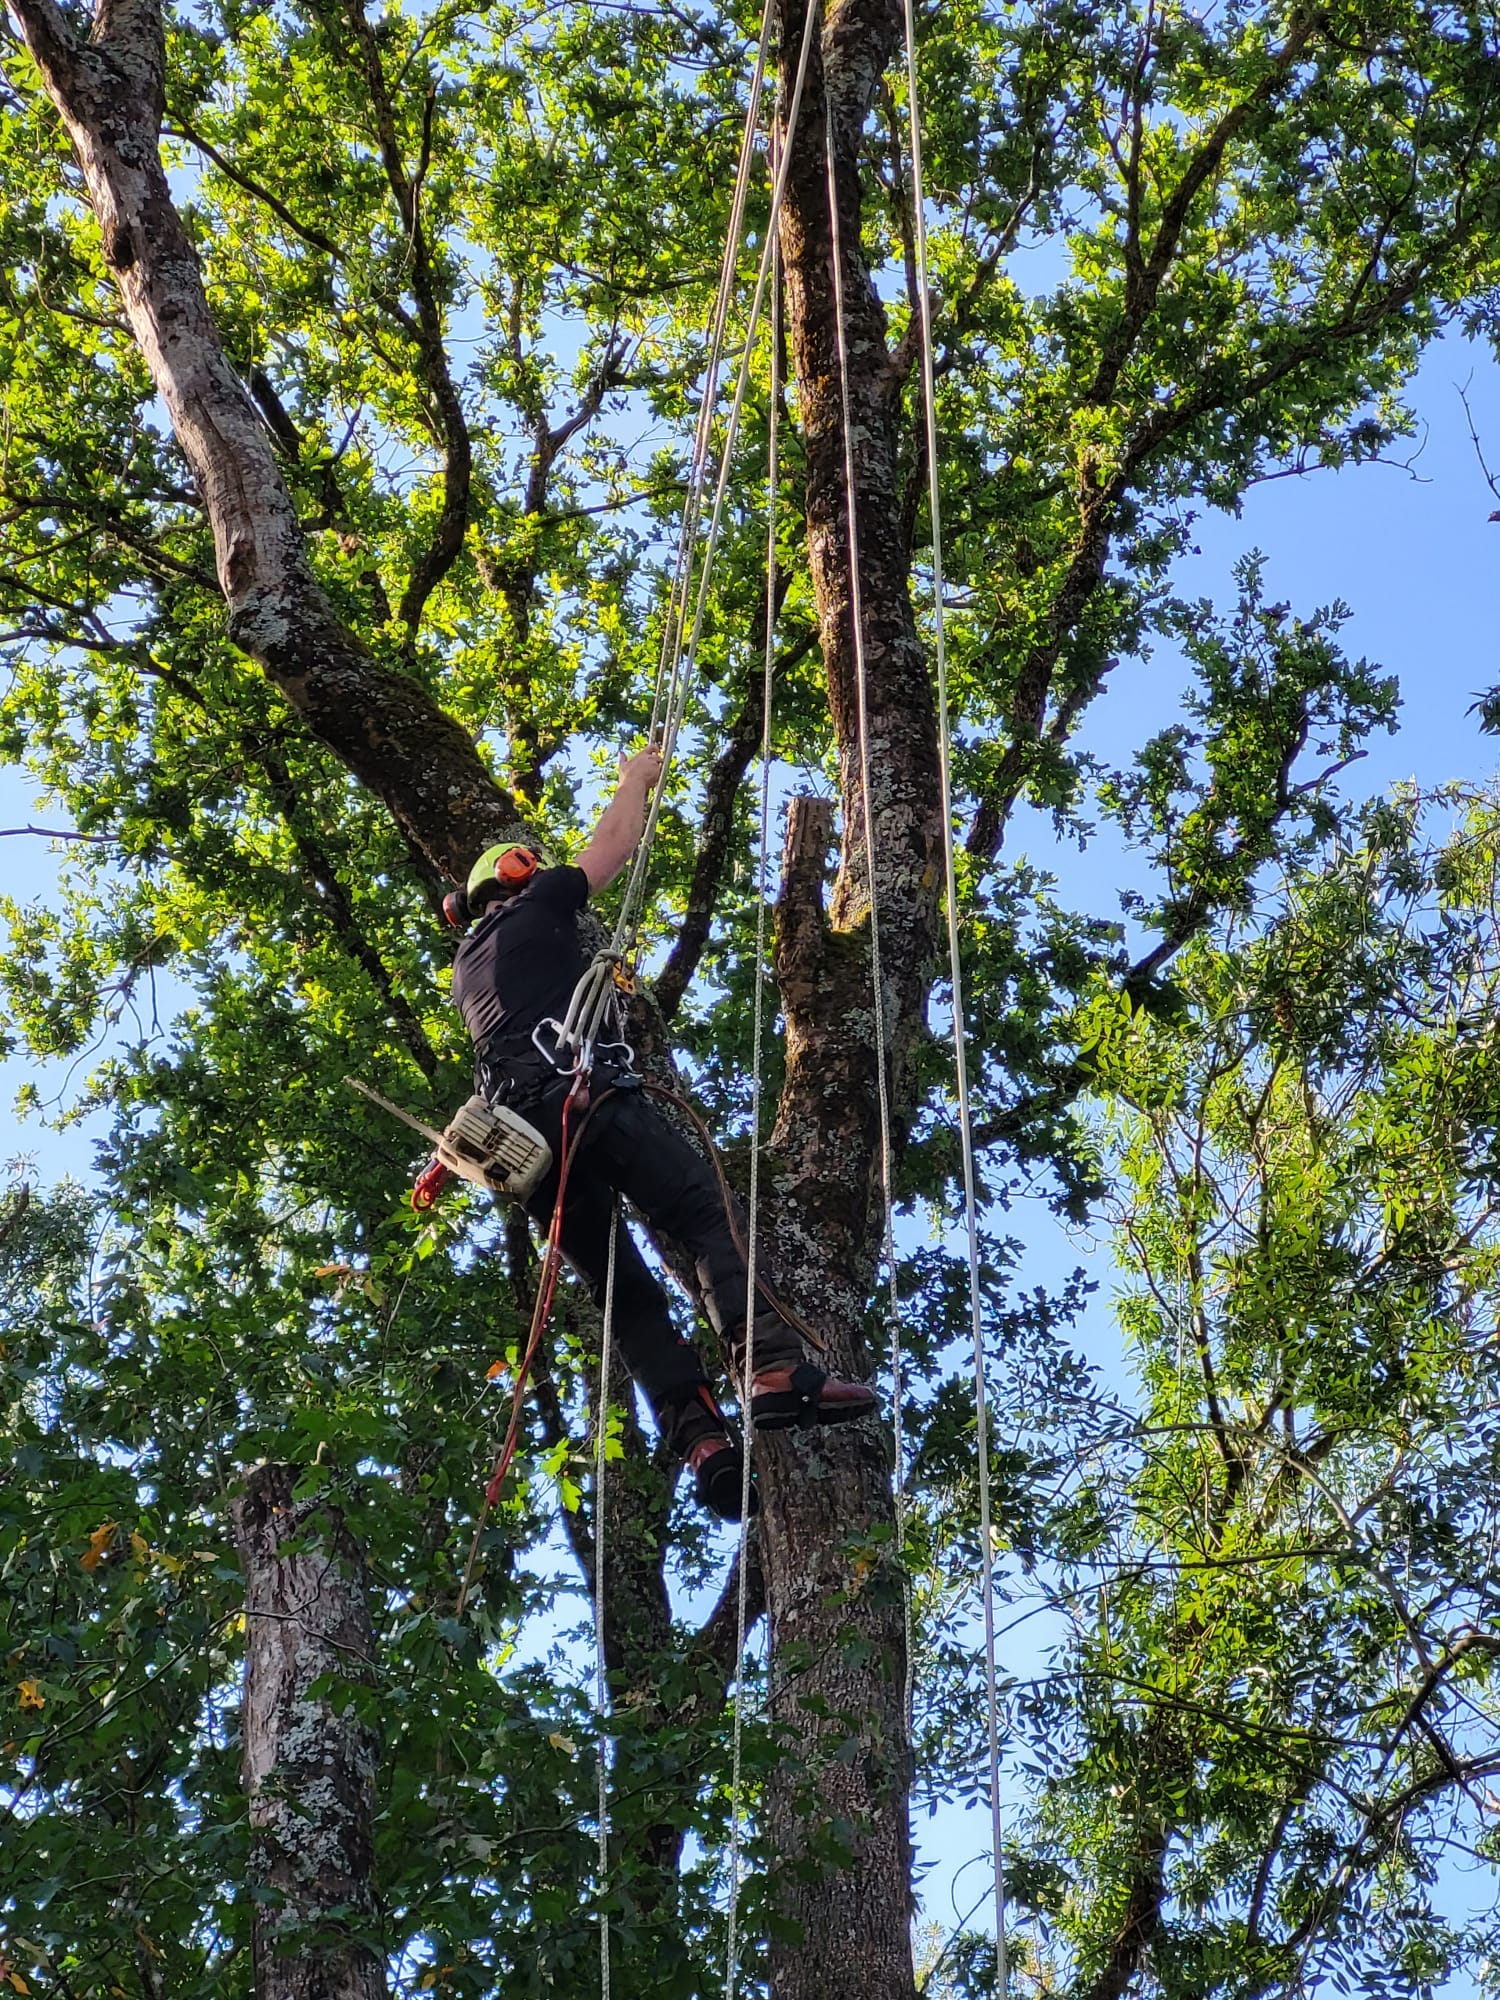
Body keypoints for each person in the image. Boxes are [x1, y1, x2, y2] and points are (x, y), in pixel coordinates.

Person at [449, 746, 877, 1520]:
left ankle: (702, 1442)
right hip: (584, 1100)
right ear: (512, 873)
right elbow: (612, 848)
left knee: (630, 1300)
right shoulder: (538, 903)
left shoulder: (468, 968)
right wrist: (634, 783)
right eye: (529, 862)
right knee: (703, 1213)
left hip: (529, 1153)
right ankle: (772, 1372)